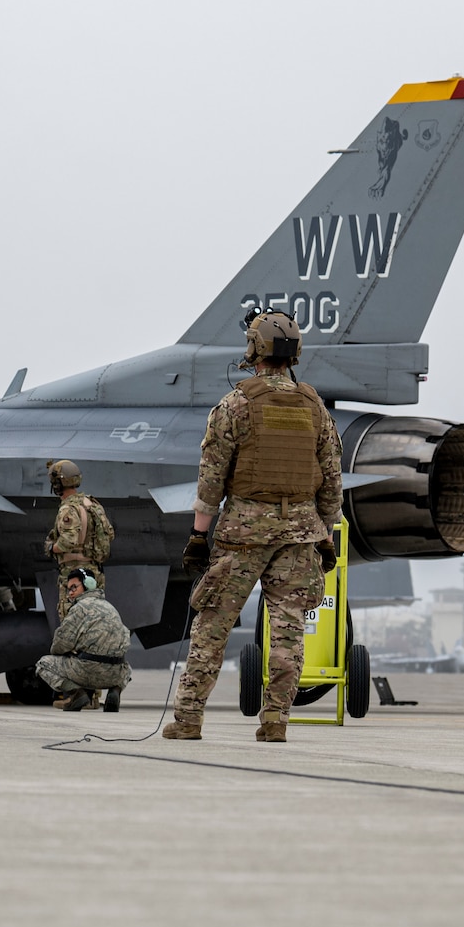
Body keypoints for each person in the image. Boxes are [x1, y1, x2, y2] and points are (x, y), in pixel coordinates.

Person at [162, 308, 342, 743]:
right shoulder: (315, 408)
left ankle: (188, 719)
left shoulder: (234, 405)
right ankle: (275, 721)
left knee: (212, 625)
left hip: (243, 532)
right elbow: (332, 480)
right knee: (289, 629)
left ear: (254, 349)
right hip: (300, 533)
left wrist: (198, 536)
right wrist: (327, 534)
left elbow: (211, 481)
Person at [36, 567, 131, 711]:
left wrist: (70, 652)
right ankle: (115, 691)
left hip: (87, 672)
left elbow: (60, 645)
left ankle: (76, 693)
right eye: (68, 589)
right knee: (127, 667)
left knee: (43, 664)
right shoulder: (111, 607)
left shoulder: (79, 608)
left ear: (89, 584)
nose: (70, 593)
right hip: (115, 675)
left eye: (74, 587)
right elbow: (125, 639)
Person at [44, 459, 112, 617]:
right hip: (94, 573)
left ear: (58, 484)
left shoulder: (68, 508)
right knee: (94, 619)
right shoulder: (92, 504)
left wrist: (51, 547)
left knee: (73, 621)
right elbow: (109, 534)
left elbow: (68, 541)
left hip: (74, 574)